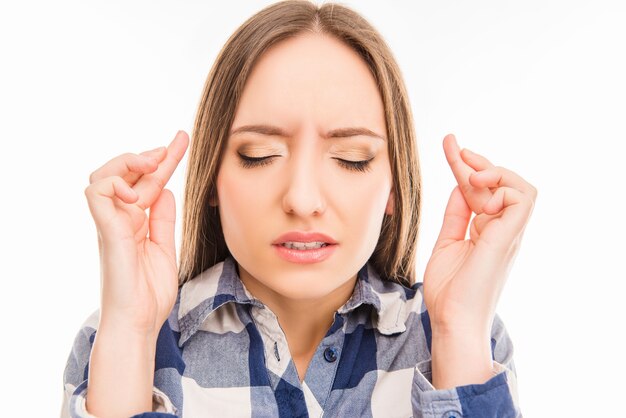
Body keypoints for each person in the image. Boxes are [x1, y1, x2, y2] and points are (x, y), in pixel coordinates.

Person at [61, 1, 536, 417]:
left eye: (352, 159)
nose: (303, 199)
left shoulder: (470, 339)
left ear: (394, 186)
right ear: (210, 179)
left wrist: (457, 332)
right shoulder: (120, 338)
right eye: (259, 154)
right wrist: (130, 329)